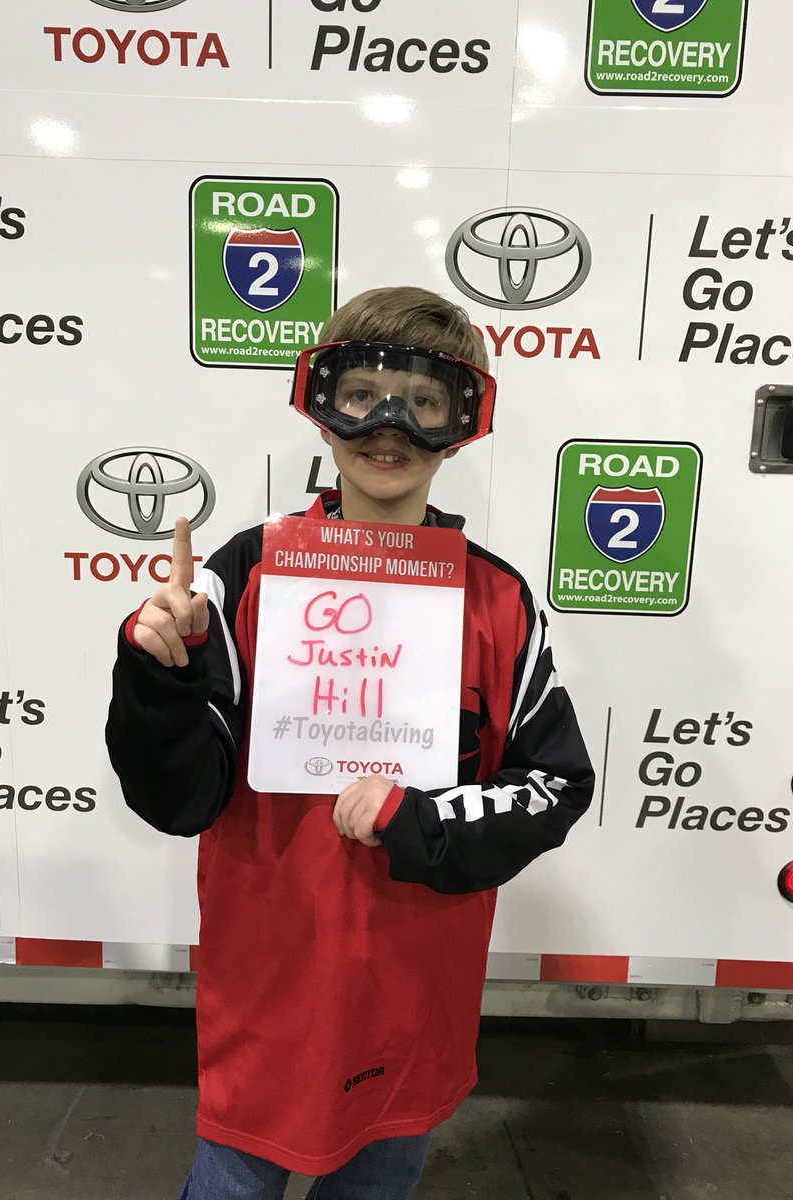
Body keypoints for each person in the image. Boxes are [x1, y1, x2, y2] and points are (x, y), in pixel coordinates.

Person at [106, 286, 595, 1200]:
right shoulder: (246, 572)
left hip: (413, 993)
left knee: (378, 1180)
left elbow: (552, 785)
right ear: (318, 408)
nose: (390, 425)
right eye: (361, 393)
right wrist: (163, 678)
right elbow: (181, 798)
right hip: (272, 981)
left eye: (425, 403)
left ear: (464, 424)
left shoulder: (497, 600)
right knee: (233, 1183)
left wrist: (423, 818)